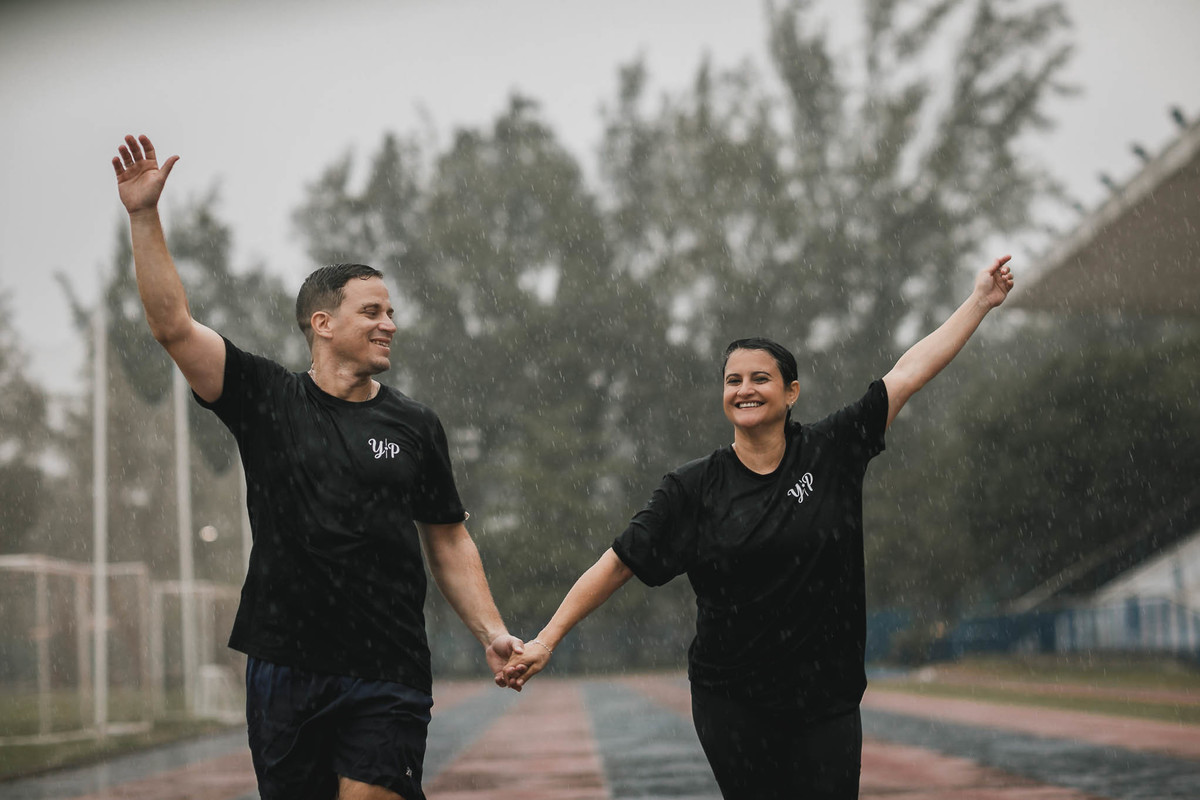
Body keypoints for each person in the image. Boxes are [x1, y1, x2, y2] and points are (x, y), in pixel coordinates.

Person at [502, 256, 1015, 799]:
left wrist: (979, 301)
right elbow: (618, 563)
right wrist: (545, 639)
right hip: (733, 699)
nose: (745, 389)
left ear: (791, 392)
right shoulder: (691, 488)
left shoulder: (832, 451)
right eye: (733, 381)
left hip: (826, 697)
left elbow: (909, 372)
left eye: (760, 378)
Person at [111, 134, 522, 800]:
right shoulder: (266, 398)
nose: (389, 323)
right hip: (283, 661)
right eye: (373, 311)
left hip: (387, 664)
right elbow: (172, 326)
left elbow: (447, 537)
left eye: (391, 311)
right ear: (321, 322)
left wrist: (492, 630)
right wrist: (143, 216)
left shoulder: (414, 425)